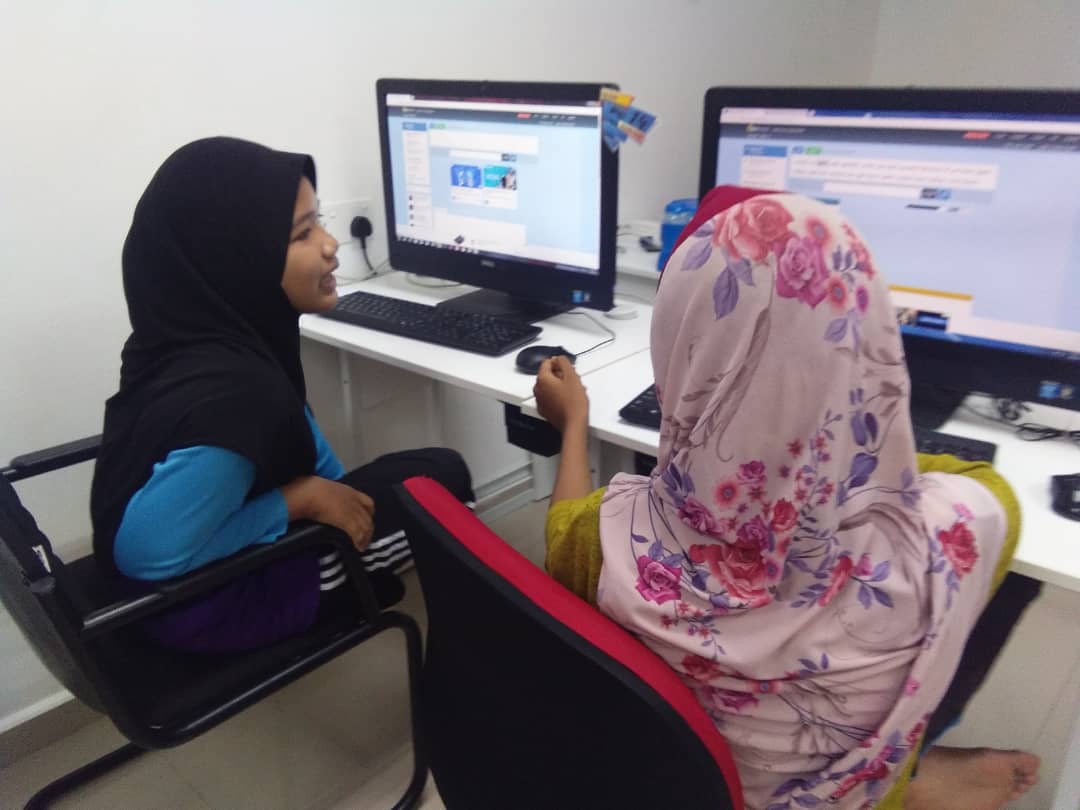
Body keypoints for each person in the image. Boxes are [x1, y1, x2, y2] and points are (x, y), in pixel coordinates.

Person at [534, 187, 1041, 809]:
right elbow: (957, 476)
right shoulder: (957, 528)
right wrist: (838, 433)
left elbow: (559, 532)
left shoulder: (606, 539)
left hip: (674, 789)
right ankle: (914, 776)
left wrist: (574, 426)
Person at [90, 137, 474, 655]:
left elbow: (300, 433)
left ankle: (358, 579)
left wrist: (330, 488)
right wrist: (301, 499)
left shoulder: (188, 336)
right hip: (206, 606)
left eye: (319, 222)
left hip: (179, 588)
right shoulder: (236, 402)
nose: (330, 244)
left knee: (409, 475)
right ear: (238, 260)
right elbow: (146, 555)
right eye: (302, 233)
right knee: (447, 481)